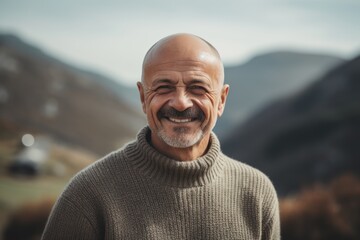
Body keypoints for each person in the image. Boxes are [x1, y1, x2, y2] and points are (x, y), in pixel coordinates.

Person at [42, 33, 280, 239]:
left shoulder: (257, 193)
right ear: (144, 98)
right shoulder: (89, 194)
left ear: (221, 100)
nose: (180, 102)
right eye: (164, 87)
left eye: (197, 87)